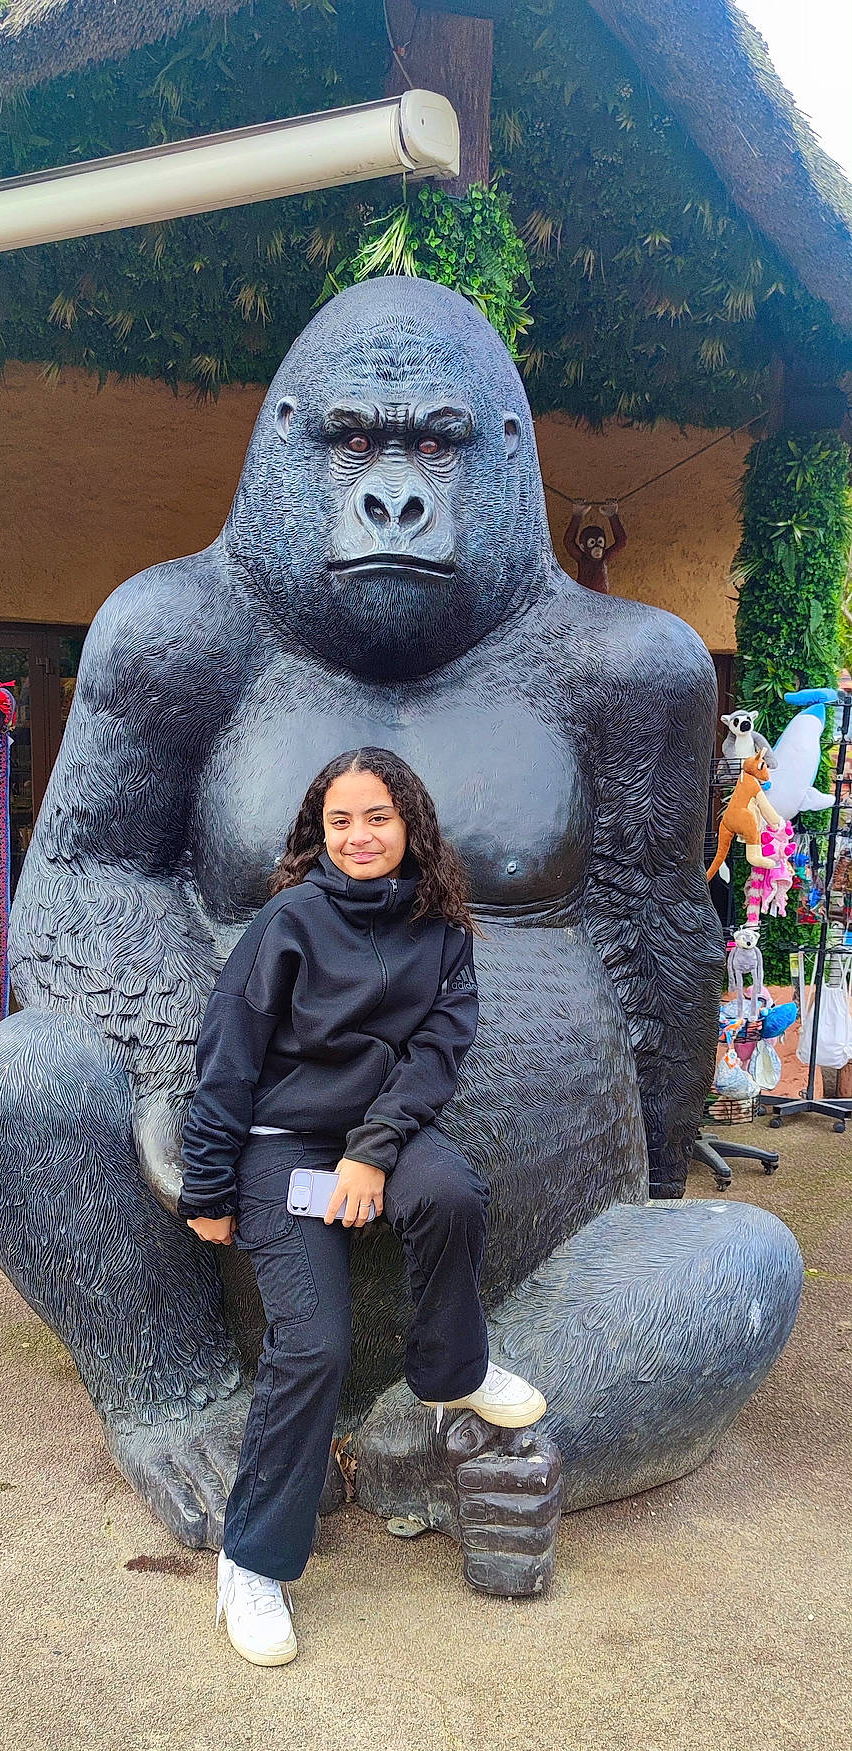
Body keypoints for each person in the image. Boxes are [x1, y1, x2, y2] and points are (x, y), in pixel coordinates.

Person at [176, 747, 547, 1666]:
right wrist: (209, 1184)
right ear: (319, 833)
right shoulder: (289, 921)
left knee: (454, 1191)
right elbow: (227, 1053)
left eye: (376, 817)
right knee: (317, 1346)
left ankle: (451, 1370)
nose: (359, 837)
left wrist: (374, 1154)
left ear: (409, 823)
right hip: (280, 1146)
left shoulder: (441, 929)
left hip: (382, 1133)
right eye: (340, 822)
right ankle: (251, 1561)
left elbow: (437, 1055)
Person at [562, 499, 627, 593]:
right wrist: (577, 516)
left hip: (601, 599)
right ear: (583, 547)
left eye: (600, 542)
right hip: (583, 597)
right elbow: (568, 542)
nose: (597, 547)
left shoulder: (605, 558)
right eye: (592, 543)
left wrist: (613, 516)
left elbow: (622, 542)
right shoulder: (582, 558)